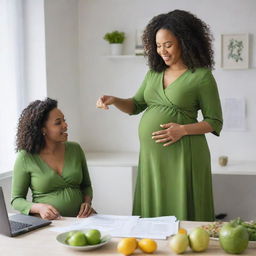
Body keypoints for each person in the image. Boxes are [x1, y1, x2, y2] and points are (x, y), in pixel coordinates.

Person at [96, 10, 223, 221]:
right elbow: (136, 105)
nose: (162, 51)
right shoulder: (153, 73)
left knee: (184, 212)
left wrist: (181, 130)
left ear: (185, 41)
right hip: (152, 157)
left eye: (168, 44)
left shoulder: (201, 77)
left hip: (185, 155)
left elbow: (215, 121)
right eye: (158, 45)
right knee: (153, 212)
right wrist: (114, 100)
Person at [11, 98, 95, 220]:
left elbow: (86, 186)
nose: (65, 125)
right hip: (48, 224)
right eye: (58, 122)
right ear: (42, 129)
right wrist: (39, 208)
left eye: (64, 121)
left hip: (81, 220)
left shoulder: (75, 149)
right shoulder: (25, 157)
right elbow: (17, 200)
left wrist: (87, 203)